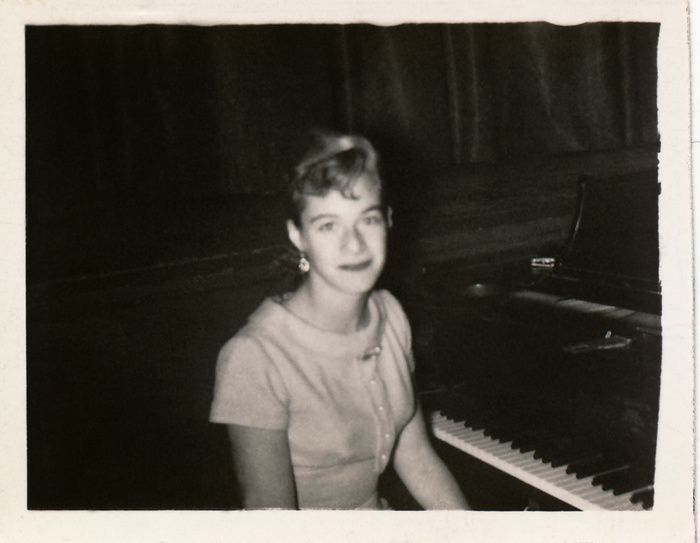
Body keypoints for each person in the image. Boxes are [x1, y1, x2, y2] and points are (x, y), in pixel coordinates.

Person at [209, 130, 469, 510]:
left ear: (389, 221)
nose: (354, 245)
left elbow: (417, 459)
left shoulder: (391, 314)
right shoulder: (254, 358)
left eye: (368, 220)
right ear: (297, 235)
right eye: (328, 225)